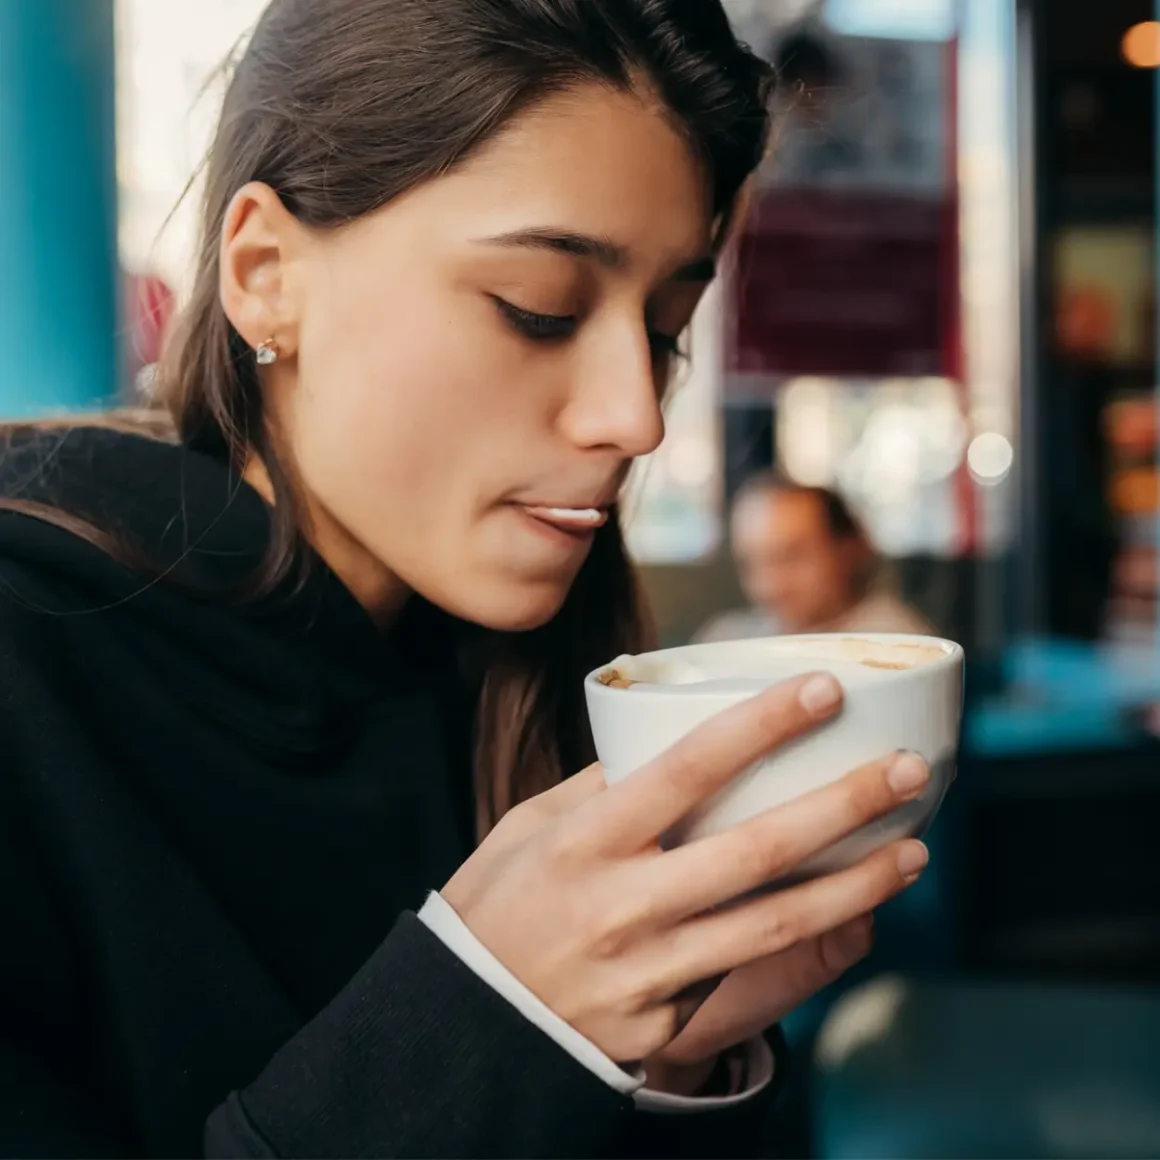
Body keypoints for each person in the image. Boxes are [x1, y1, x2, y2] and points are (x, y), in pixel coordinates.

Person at [0, 1, 934, 1155]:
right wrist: (488, 1016)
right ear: (263, 272)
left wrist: (674, 1061)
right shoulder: (31, 666)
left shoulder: (546, 683)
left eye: (666, 326)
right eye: (536, 308)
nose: (634, 416)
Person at [697, 473, 933, 643]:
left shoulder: (897, 642)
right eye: (751, 564)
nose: (768, 586)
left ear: (847, 548)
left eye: (791, 557)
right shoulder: (724, 637)